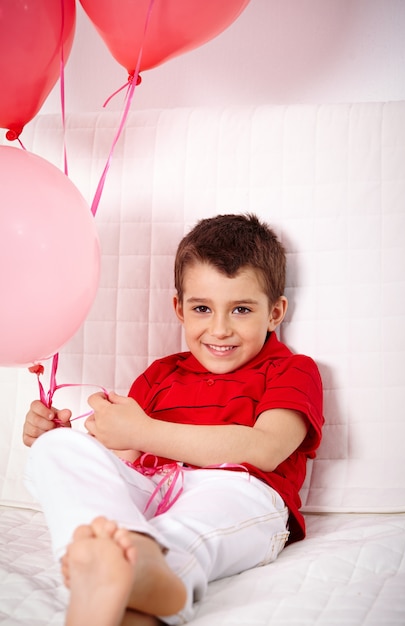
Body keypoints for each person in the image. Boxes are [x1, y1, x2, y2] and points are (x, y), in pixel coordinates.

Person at [23, 213, 324, 626]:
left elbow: (266, 449)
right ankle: (118, 556)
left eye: (240, 309)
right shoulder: (161, 375)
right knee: (55, 451)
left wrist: (144, 429)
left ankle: (138, 563)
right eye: (202, 308)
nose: (219, 330)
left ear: (275, 313)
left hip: (240, 490)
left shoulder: (292, 370)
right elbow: (124, 454)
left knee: (193, 527)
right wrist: (68, 436)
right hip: (153, 491)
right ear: (179, 308)